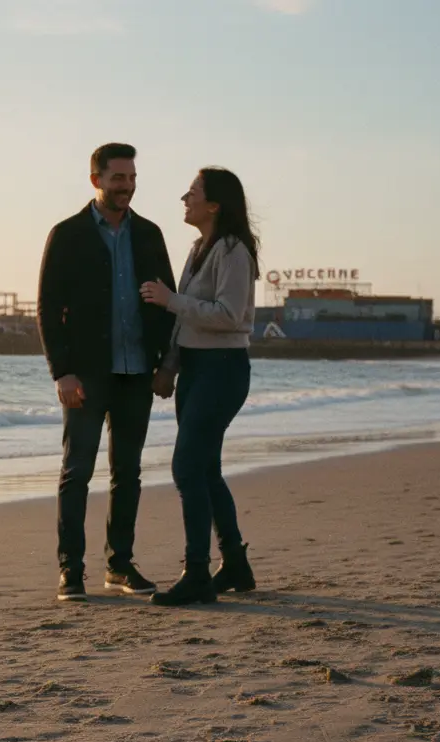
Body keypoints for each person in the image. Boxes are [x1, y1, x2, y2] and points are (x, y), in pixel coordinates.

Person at [36, 142, 178, 602]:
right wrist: (62, 373)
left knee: (128, 473)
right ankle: (70, 571)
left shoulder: (150, 234)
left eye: (132, 178)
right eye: (118, 178)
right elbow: (46, 308)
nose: (127, 187)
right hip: (86, 375)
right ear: (96, 180)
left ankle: (119, 566)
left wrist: (165, 366)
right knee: (77, 471)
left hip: (138, 372)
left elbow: (168, 300)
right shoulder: (68, 234)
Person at [139, 167, 260, 607]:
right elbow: (186, 319)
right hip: (195, 368)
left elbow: (229, 315)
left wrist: (171, 299)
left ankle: (196, 573)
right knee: (205, 469)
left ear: (214, 205)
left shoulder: (234, 251)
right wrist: (170, 366)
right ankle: (235, 564)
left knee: (187, 467)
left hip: (224, 369)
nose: (183, 199)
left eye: (192, 193)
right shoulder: (198, 249)